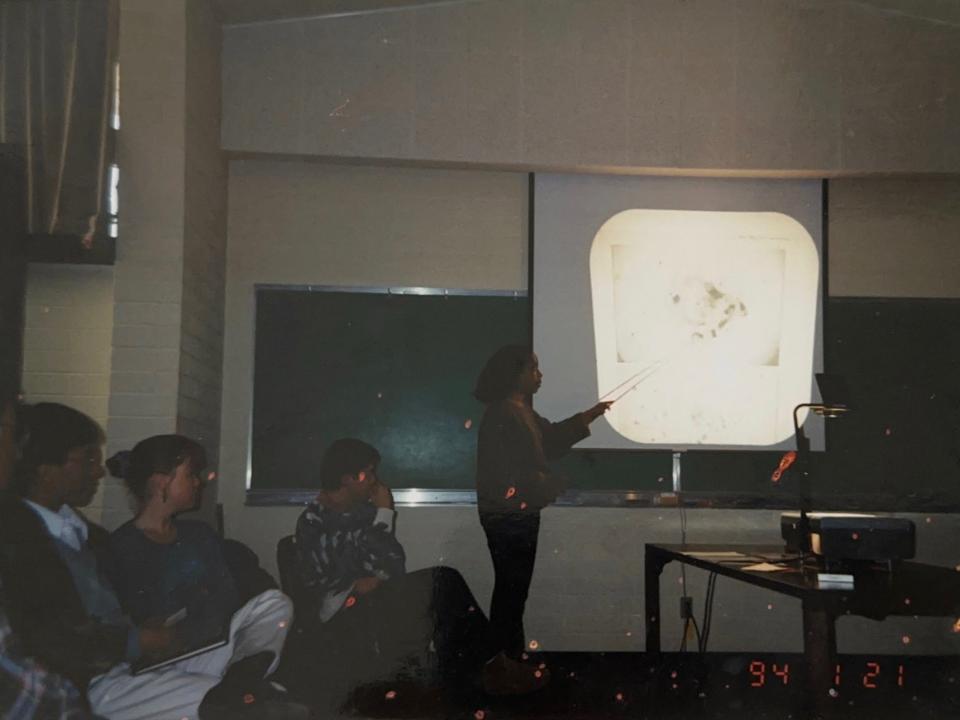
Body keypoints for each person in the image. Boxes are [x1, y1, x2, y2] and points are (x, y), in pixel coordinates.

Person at [102, 434, 305, 720]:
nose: (199, 482)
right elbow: (143, 619)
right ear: (161, 481)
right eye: (190, 474)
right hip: (163, 662)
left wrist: (196, 612)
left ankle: (240, 682)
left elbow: (227, 598)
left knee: (274, 603)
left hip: (211, 646)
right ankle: (239, 691)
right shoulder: (122, 546)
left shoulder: (199, 534)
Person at [293, 438, 496, 695]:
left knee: (444, 581)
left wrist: (374, 571)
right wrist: (384, 517)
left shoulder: (365, 512)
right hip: (344, 610)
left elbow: (393, 564)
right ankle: (478, 669)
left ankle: (471, 670)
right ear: (347, 479)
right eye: (369, 472)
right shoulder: (314, 520)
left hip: (377, 594)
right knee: (440, 585)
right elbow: (330, 575)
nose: (375, 481)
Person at [473, 345, 610, 692]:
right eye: (534, 368)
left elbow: (549, 441)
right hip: (509, 517)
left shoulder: (518, 410)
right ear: (515, 374)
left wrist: (589, 415)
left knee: (513, 590)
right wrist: (553, 484)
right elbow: (513, 474)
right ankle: (503, 665)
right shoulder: (507, 413)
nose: (540, 375)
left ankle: (509, 660)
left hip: (512, 515)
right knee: (511, 590)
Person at [0, 393, 93, 719]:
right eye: (10, 434)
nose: (15, 452)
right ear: (45, 468)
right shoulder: (18, 529)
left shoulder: (82, 531)